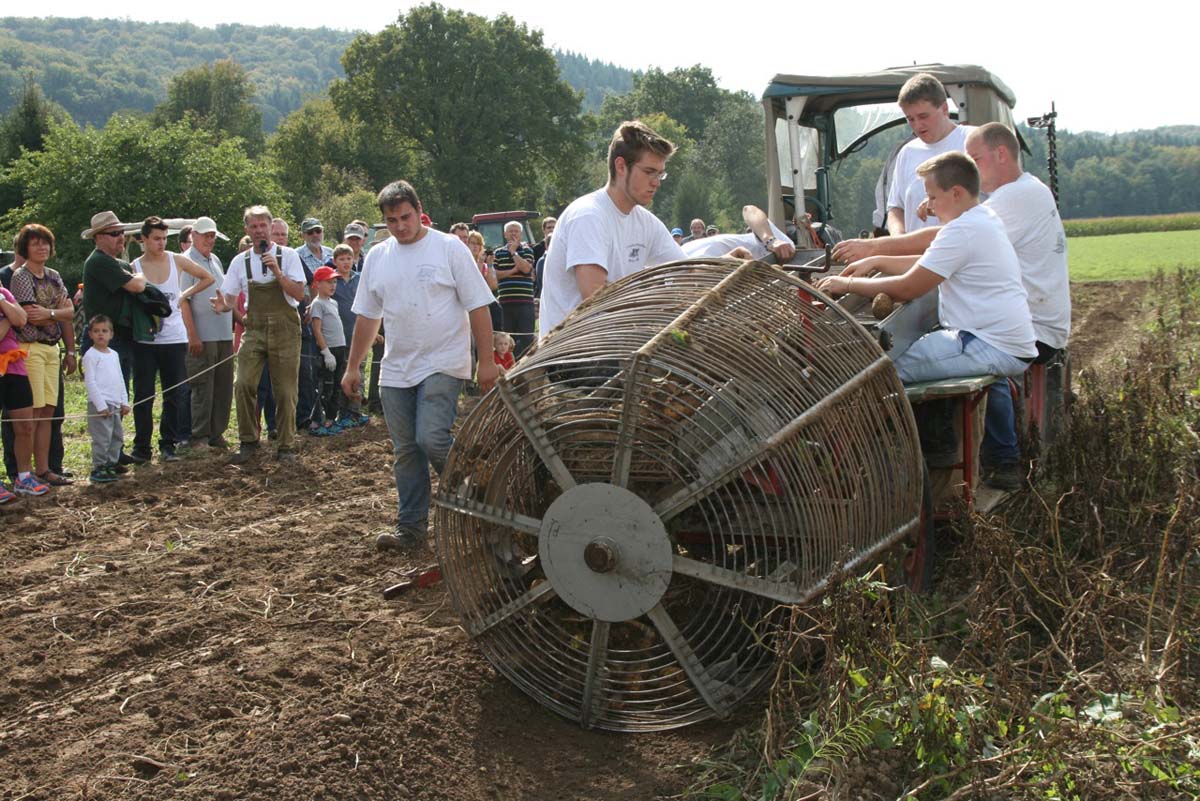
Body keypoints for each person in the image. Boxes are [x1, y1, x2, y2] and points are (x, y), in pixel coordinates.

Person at [832, 123, 1070, 489]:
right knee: (924, 347)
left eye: (931, 196)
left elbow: (911, 283)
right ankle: (978, 453)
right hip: (1001, 338)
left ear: (956, 193)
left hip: (987, 341)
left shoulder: (965, 229)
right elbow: (931, 261)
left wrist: (847, 282)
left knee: (880, 367)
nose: (926, 205)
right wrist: (875, 263)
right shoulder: (980, 218)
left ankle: (922, 455)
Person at [341, 180, 498, 552]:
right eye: (392, 220)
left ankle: (474, 493)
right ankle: (411, 529)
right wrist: (353, 367)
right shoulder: (378, 256)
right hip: (397, 368)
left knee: (431, 437)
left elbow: (478, 305)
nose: (400, 225)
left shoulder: (448, 248)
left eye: (406, 217)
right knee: (407, 450)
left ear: (419, 209)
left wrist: (487, 361)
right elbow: (367, 316)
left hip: (444, 360)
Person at [538, 120, 688, 340]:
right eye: (649, 172)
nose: (656, 182)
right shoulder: (588, 215)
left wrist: (723, 263)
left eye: (660, 174)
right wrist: (659, 302)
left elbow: (687, 271)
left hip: (614, 347)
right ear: (620, 166)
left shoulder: (646, 222)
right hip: (572, 357)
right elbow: (596, 298)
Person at [212, 205, 307, 464]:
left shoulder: (287, 256)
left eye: (263, 226)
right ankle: (249, 441)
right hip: (253, 330)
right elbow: (229, 298)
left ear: (270, 227)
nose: (258, 231)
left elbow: (299, 294)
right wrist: (223, 306)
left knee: (286, 390)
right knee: (243, 383)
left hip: (285, 329)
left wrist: (277, 272)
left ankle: (286, 445)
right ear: (247, 230)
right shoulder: (239, 261)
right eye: (253, 227)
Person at [130, 216, 214, 462]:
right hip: (145, 340)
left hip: (175, 338)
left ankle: (168, 444)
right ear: (143, 239)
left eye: (164, 239)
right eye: (156, 239)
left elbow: (207, 277)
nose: (161, 243)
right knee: (144, 394)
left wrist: (182, 294)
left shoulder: (176, 260)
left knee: (173, 393)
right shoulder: (134, 265)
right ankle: (142, 447)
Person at [10, 224, 76, 486]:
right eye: (36, 243)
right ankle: (24, 473)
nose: (42, 247)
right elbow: (30, 316)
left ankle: (44, 469)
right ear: (25, 248)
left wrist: (51, 314)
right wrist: (56, 313)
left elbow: (70, 312)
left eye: (46, 242)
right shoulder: (21, 276)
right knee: (33, 413)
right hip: (30, 349)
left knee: (48, 412)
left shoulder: (54, 275)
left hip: (52, 348)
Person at [81, 210, 147, 469]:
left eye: (121, 233)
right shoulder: (99, 262)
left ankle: (115, 452)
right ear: (98, 238)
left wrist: (135, 274)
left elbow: (132, 275)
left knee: (120, 397)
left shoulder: (113, 262)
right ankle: (104, 459)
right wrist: (139, 276)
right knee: (103, 401)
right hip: (103, 340)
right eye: (114, 233)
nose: (121, 238)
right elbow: (137, 285)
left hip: (117, 340)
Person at [884, 72, 974, 235]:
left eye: (923, 116)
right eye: (910, 119)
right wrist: (899, 240)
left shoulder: (972, 141)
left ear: (944, 109)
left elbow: (996, 201)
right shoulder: (907, 152)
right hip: (919, 257)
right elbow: (895, 208)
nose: (918, 125)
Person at [181, 216, 235, 450]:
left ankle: (216, 432)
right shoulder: (186, 261)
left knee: (223, 386)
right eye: (205, 235)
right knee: (202, 385)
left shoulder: (215, 260)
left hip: (223, 333)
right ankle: (199, 435)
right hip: (203, 334)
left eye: (212, 235)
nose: (209, 240)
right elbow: (183, 300)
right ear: (193, 236)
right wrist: (192, 334)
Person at [0, 286, 47, 498]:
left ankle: (24, 477)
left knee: (25, 425)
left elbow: (22, 319)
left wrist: (2, 300)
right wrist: (10, 318)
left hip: (14, 367)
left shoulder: (4, 293)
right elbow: (14, 320)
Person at [82, 315, 131, 483]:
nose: (100, 334)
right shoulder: (90, 355)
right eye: (96, 331)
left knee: (116, 436)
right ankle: (99, 466)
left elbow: (120, 379)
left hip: (115, 403)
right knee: (102, 438)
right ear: (90, 334)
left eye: (104, 331)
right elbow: (90, 382)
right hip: (100, 405)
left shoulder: (114, 354)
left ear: (111, 334)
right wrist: (100, 405)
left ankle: (111, 464)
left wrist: (124, 402)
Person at [682, 205, 797, 262]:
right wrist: (771, 240)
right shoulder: (786, 245)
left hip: (693, 267)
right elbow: (749, 209)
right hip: (690, 260)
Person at [308, 265, 347, 436]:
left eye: (334, 282)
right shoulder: (317, 304)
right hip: (328, 350)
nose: (333, 285)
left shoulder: (334, 302)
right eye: (328, 282)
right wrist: (325, 351)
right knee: (326, 386)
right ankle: (319, 419)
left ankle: (332, 418)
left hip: (340, 347)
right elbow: (317, 329)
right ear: (317, 284)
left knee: (337, 384)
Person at [493, 221, 537, 358]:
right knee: (505, 339)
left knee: (526, 339)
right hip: (506, 303)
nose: (513, 234)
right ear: (505, 234)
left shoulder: (528, 250)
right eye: (510, 231)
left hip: (525, 303)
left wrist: (513, 253)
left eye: (516, 231)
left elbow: (526, 268)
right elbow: (496, 276)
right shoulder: (498, 253)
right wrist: (514, 269)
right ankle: (508, 368)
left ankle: (524, 367)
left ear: (521, 234)